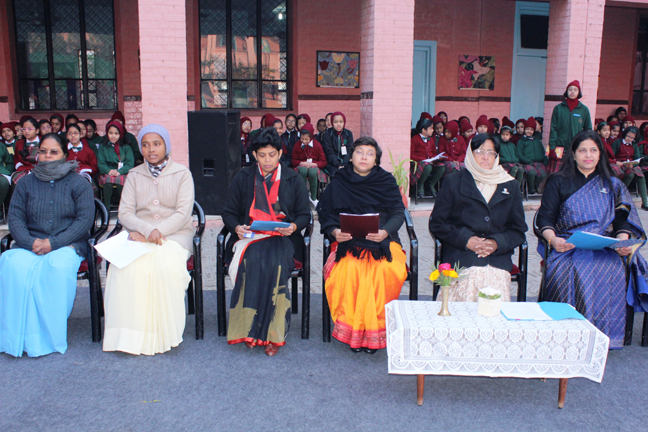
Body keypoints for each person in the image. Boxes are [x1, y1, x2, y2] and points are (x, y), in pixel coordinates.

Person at [536, 130, 648, 349]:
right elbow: (545, 219)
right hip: (567, 244)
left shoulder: (614, 184)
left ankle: (602, 335)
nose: (588, 155)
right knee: (571, 267)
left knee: (612, 266)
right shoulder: (558, 182)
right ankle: (564, 333)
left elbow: (623, 222)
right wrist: (554, 241)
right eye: (583, 150)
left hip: (604, 245)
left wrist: (622, 242)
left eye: (593, 150)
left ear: (600, 154)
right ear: (573, 154)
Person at [102, 124, 195, 356]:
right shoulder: (134, 175)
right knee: (125, 269)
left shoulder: (182, 174)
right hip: (138, 234)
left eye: (156, 144)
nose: (151, 149)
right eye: (145, 144)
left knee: (164, 268)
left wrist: (155, 231)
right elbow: (125, 213)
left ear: (166, 146)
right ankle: (131, 335)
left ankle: (162, 335)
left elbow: (183, 213)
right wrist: (145, 230)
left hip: (175, 235)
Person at [0, 133, 94, 357]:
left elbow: (84, 221)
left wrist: (54, 243)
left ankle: (49, 336)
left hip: (67, 244)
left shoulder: (78, 183)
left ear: (64, 154)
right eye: (43, 151)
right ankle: (18, 337)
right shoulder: (25, 183)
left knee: (56, 266)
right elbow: (15, 218)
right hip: (30, 244)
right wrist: (30, 242)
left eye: (53, 152)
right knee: (11, 263)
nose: (47, 156)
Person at [222, 128, 311, 357]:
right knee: (252, 262)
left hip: (283, 237)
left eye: (272, 154)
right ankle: (250, 329)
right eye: (262, 155)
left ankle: (273, 333)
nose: (267, 160)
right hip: (250, 236)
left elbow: (304, 214)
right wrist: (237, 227)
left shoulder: (292, 178)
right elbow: (228, 212)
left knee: (276, 264)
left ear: (280, 153)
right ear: (254, 155)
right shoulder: (243, 177)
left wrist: (293, 227)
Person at [318, 136, 407, 354]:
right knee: (349, 270)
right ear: (351, 156)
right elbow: (325, 212)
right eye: (359, 152)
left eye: (370, 153)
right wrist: (335, 232)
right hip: (347, 242)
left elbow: (398, 212)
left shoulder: (386, 181)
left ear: (376, 159)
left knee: (385, 270)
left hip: (383, 241)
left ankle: (374, 331)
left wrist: (385, 231)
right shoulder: (339, 180)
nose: (364, 157)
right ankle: (354, 330)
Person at [429, 134, 527, 302]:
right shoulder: (453, 181)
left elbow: (518, 230)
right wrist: (465, 239)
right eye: (480, 151)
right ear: (470, 153)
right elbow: (437, 223)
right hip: (461, 252)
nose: (485, 157)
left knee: (494, 282)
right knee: (470, 277)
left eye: (491, 152)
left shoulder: (510, 185)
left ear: (496, 156)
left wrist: (496, 243)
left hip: (496, 257)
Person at [548, 80, 593, 173]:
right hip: (559, 147)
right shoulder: (558, 108)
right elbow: (553, 129)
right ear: (566, 91)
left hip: (576, 148)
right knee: (555, 175)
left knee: (573, 174)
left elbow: (588, 130)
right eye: (570, 89)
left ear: (579, 92)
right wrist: (552, 148)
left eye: (575, 90)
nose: (572, 92)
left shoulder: (584, 110)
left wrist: (585, 146)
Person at [97, 120, 134, 209]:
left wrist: (120, 171)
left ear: (120, 134)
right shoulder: (103, 146)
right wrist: (109, 171)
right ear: (107, 133)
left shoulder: (126, 146)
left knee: (120, 182)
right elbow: (101, 163)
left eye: (116, 133)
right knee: (108, 182)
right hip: (108, 172)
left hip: (122, 172)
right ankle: (106, 208)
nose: (113, 136)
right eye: (110, 133)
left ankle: (123, 207)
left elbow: (130, 163)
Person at [611, 126, 648, 210]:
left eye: (632, 138)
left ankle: (645, 202)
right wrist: (619, 162)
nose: (629, 139)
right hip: (620, 164)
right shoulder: (617, 142)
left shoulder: (634, 145)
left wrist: (633, 165)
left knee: (640, 176)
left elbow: (637, 158)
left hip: (630, 164)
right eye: (628, 136)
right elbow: (612, 156)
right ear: (625, 134)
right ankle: (618, 195)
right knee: (630, 174)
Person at [291, 123, 327, 206]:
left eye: (306, 139)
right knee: (303, 170)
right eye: (302, 139)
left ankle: (313, 197)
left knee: (312, 172)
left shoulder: (317, 145)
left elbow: (323, 161)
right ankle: (303, 196)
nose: (304, 141)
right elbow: (293, 160)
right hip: (302, 166)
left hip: (314, 166)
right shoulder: (297, 145)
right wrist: (301, 163)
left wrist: (314, 164)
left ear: (311, 137)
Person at [410, 117, 445, 198]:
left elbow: (434, 153)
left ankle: (431, 185)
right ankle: (420, 185)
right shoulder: (415, 139)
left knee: (442, 167)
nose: (433, 130)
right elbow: (411, 155)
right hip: (419, 164)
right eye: (431, 128)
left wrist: (435, 158)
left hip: (430, 163)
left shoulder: (431, 140)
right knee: (428, 167)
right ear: (423, 130)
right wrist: (423, 159)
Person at [518, 117, 548, 194]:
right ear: (524, 129)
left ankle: (536, 186)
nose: (529, 131)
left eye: (531, 129)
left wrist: (544, 161)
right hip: (527, 162)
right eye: (527, 129)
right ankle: (531, 189)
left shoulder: (537, 141)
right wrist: (527, 161)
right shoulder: (521, 141)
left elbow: (543, 152)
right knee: (531, 172)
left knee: (543, 175)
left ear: (534, 131)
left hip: (538, 163)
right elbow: (519, 154)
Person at [321, 111, 354, 177]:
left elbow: (350, 150)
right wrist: (338, 165)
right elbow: (329, 152)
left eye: (341, 122)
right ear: (332, 123)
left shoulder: (348, 134)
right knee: (336, 175)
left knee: (350, 174)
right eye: (335, 122)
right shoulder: (327, 134)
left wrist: (344, 164)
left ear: (344, 122)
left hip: (346, 163)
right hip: (332, 164)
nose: (338, 124)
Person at [12, 117, 40, 184]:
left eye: (30, 129)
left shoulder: (44, 142)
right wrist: (20, 167)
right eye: (24, 129)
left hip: (41, 170)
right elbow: (16, 158)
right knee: (18, 182)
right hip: (23, 170)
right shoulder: (19, 143)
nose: (26, 131)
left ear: (37, 130)